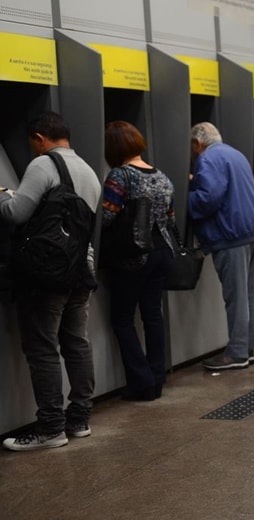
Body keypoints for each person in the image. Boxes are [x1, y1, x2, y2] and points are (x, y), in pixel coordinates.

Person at [0, 112, 101, 451]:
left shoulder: (43, 166)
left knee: (43, 347)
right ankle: (79, 419)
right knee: (76, 342)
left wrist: (3, 193)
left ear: (40, 138)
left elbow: (15, 213)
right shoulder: (88, 170)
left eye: (32, 144)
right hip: (81, 269)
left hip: (48, 273)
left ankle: (50, 428)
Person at [101, 121, 176, 401]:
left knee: (121, 319)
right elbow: (170, 218)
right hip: (162, 253)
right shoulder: (162, 176)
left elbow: (107, 216)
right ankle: (156, 379)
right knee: (152, 315)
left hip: (134, 256)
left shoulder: (120, 176)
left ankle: (141, 383)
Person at [189, 122, 254, 369]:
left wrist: (186, 195)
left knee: (236, 296)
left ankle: (236, 354)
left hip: (232, 233)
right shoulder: (235, 153)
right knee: (249, 295)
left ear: (197, 143)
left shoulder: (207, 159)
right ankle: (246, 347)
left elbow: (208, 199)